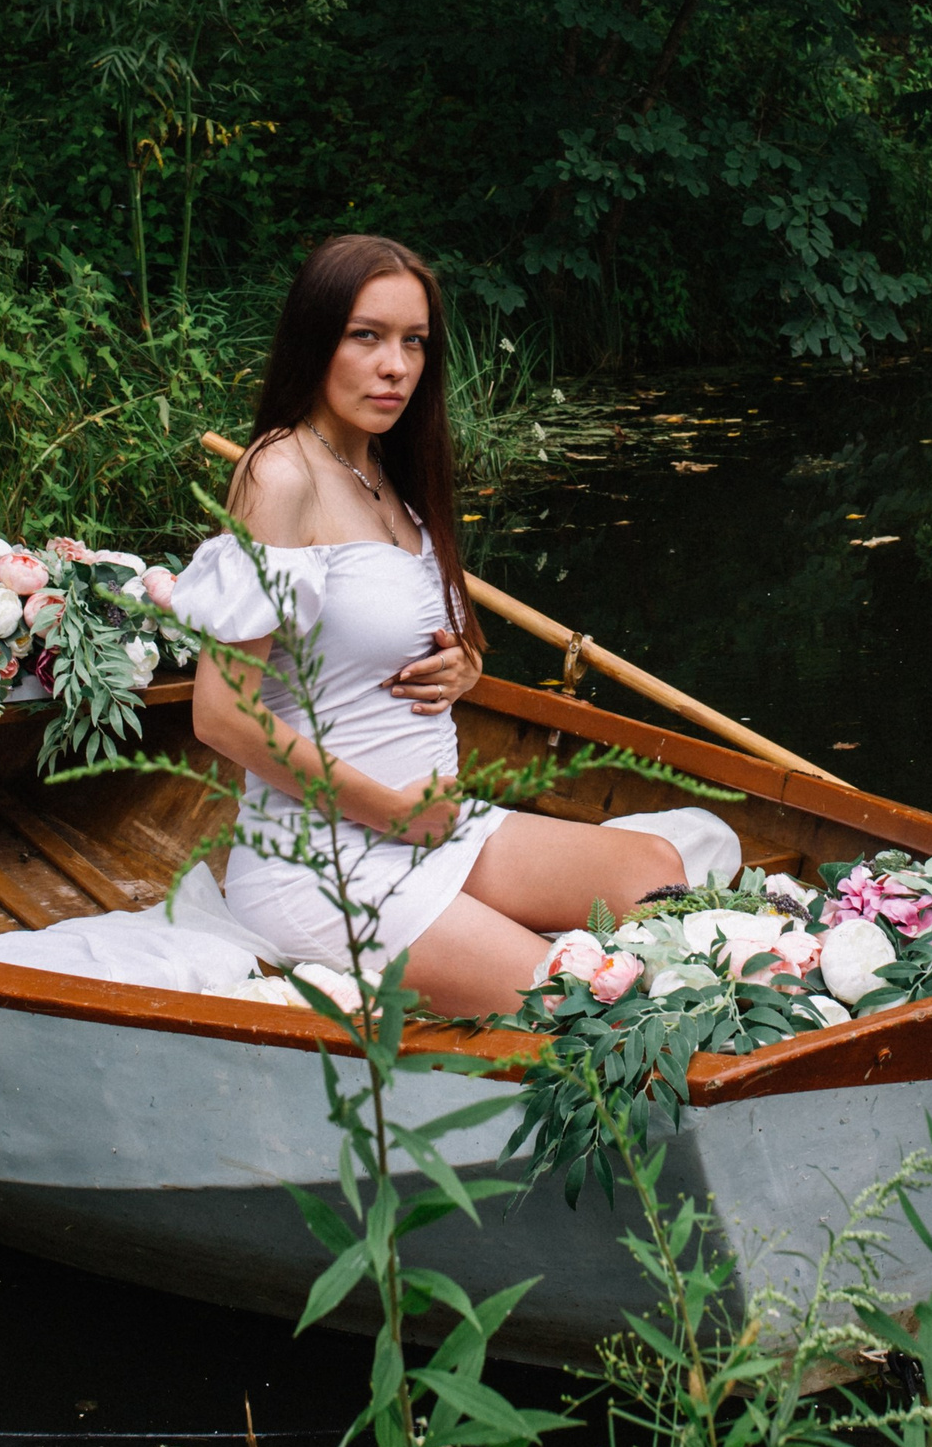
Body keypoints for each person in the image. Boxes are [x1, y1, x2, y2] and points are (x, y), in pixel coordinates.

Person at [170, 232, 731, 1014]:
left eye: (414, 342)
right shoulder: (280, 474)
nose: (395, 365)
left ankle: (492, 932)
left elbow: (385, 625)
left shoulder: (386, 474)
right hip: (326, 860)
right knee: (569, 1002)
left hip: (435, 827)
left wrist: (466, 664)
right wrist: (395, 812)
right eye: (366, 336)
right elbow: (221, 715)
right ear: (315, 337)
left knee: (662, 874)